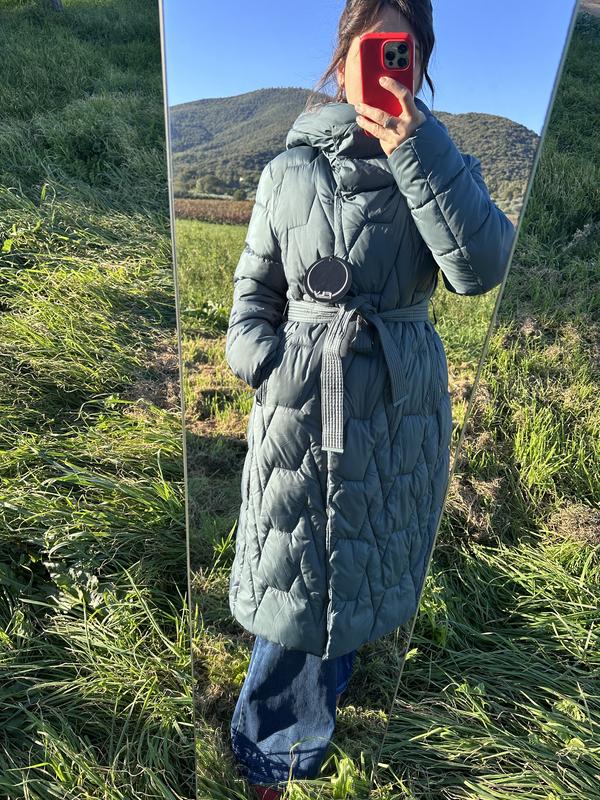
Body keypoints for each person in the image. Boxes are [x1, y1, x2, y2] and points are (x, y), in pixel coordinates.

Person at [224, 1, 516, 796]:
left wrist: (414, 146)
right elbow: (253, 294)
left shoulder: (442, 163)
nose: (385, 59)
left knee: (359, 562)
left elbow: (480, 268)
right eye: (370, 42)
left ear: (419, 59)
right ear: (344, 53)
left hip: (393, 402)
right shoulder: (288, 170)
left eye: (402, 45)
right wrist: (268, 365)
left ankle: (319, 701)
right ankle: (270, 752)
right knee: (295, 568)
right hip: (300, 400)